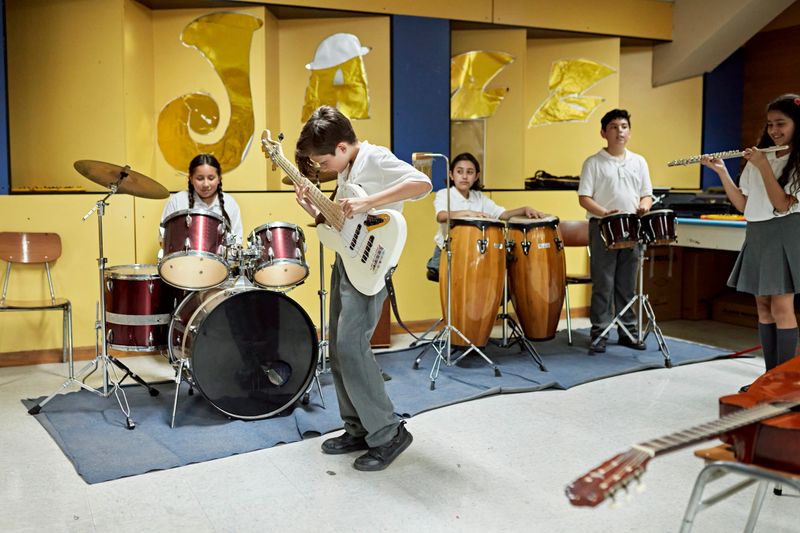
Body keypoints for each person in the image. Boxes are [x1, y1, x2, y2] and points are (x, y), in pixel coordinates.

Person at [294, 105, 431, 471]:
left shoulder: (375, 158)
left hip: (371, 267)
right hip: (349, 259)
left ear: (341, 147)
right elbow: (345, 225)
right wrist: (314, 209)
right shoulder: (347, 171)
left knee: (352, 345)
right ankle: (358, 427)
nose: (321, 169)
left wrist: (369, 200)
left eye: (322, 162)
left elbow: (423, 183)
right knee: (339, 347)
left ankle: (388, 432)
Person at [701, 93, 800, 377]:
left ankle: (783, 379)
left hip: (785, 233)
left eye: (781, 124)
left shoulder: (794, 161)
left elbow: (782, 205)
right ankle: (770, 375)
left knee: (782, 306)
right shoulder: (761, 157)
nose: (774, 131)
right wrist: (721, 172)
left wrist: (763, 165)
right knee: (763, 306)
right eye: (770, 125)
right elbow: (745, 205)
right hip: (757, 232)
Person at [578, 109, 653, 354]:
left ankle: (628, 331)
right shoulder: (593, 162)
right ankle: (600, 332)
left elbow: (646, 194)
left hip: (632, 227)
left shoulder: (639, 161)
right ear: (603, 132)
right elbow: (584, 198)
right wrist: (604, 212)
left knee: (627, 283)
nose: (619, 131)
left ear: (629, 132)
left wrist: (645, 205)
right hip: (603, 226)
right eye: (613, 127)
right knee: (604, 282)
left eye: (623, 126)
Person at [425, 152, 547, 281]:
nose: (465, 176)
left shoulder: (479, 197)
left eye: (470, 172)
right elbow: (441, 216)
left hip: (474, 251)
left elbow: (503, 214)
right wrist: (468, 213)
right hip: (448, 249)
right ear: (451, 175)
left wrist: (524, 209)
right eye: (460, 172)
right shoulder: (445, 194)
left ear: (476, 176)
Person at [160, 153, 243, 244]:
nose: (206, 184)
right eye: (200, 178)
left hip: (220, 258)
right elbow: (163, 236)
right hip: (184, 258)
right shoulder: (177, 201)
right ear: (190, 178)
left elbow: (237, 239)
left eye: (211, 178)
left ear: (219, 178)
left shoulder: (230, 203)